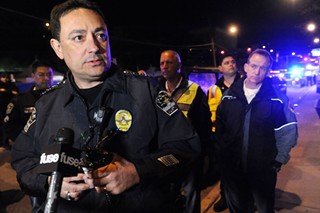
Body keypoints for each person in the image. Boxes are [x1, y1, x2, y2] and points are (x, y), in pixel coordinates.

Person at [11, 1, 200, 213]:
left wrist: (138, 171)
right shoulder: (46, 105)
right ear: (58, 48)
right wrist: (49, 183)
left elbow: (186, 147)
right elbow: (22, 160)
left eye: (101, 35)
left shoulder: (146, 91)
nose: (94, 47)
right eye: (79, 37)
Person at [215, 49, 298, 213]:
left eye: (263, 68)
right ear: (245, 67)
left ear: (268, 71)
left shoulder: (277, 99)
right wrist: (221, 155)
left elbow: (287, 132)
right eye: (253, 66)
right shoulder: (228, 96)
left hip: (263, 170)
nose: (257, 71)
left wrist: (277, 162)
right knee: (237, 208)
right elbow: (220, 128)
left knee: (264, 208)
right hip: (233, 168)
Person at [159, 50, 212, 213]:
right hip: (165, 153)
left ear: (179, 66)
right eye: (162, 63)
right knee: (168, 191)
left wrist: (201, 153)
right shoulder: (157, 90)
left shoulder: (194, 90)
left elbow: (204, 126)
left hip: (188, 152)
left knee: (190, 192)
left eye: (169, 62)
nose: (164, 67)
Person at [207, 54, 240, 212]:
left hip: (243, 135)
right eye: (226, 63)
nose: (231, 64)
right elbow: (209, 114)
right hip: (221, 138)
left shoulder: (246, 84)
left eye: (233, 62)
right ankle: (225, 197)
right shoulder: (213, 90)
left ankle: (244, 198)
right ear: (220, 68)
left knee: (244, 169)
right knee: (224, 170)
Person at [3, 60, 54, 144]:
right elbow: (10, 125)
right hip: (28, 148)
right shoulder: (20, 100)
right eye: (41, 75)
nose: (46, 78)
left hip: (53, 147)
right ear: (33, 76)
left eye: (49, 74)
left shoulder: (62, 97)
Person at [0, 72, 19, 149]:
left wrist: (5, 91)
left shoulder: (11, 85)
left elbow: (16, 93)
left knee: (8, 125)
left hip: (10, 109)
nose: (5, 79)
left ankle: (7, 143)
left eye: (6, 77)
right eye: (3, 77)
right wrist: (9, 92)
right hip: (1, 109)